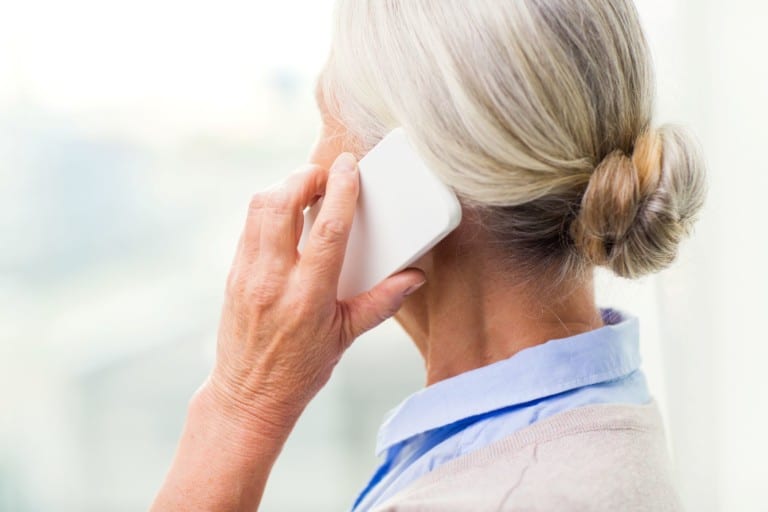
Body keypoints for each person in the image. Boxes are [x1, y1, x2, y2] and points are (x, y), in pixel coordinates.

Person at [151, 0, 705, 510]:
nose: (312, 167)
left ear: (408, 176)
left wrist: (239, 404)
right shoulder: (596, 423)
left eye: (328, 122)